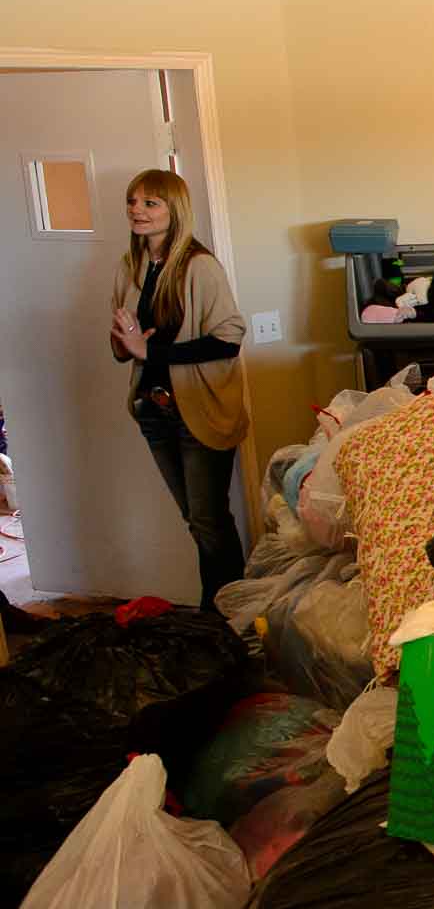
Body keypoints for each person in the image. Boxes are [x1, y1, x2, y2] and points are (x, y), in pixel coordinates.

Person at [109, 169, 249, 611]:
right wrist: (124, 343)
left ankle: (223, 616)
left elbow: (228, 339)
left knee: (209, 521)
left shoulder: (199, 266)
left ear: (175, 210)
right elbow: (126, 346)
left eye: (151, 203)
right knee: (196, 520)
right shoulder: (129, 267)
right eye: (133, 201)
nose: (137, 210)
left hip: (199, 411)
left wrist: (149, 352)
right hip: (153, 411)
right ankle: (224, 614)